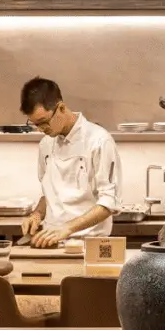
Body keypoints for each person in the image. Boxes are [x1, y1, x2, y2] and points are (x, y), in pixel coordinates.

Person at [18, 77, 122, 248]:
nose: (41, 129)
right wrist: (37, 214)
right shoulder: (46, 144)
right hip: (50, 244)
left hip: (90, 245)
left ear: (61, 108)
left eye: (44, 122)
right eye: (35, 124)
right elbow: (50, 193)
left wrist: (67, 228)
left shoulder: (99, 141)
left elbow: (109, 203)